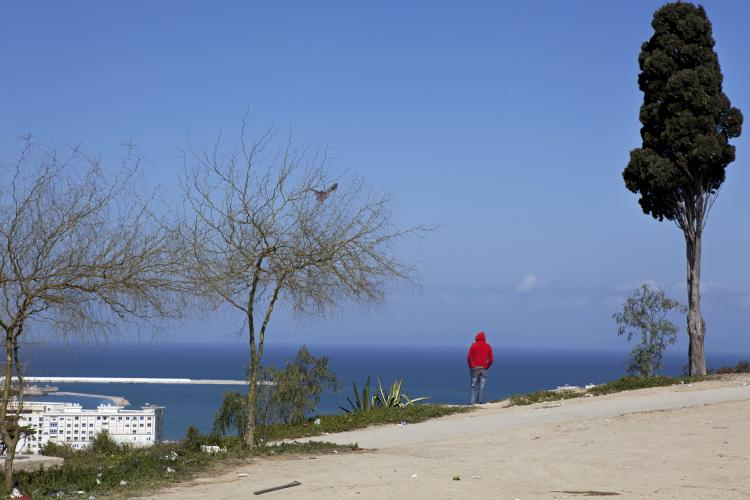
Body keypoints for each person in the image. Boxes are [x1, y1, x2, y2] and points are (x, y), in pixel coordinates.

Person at [467, 331, 493, 404]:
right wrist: (487, 367)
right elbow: (491, 359)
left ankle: (472, 403)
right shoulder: (488, 346)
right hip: (484, 368)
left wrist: (470, 366)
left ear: (477, 338)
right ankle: (479, 402)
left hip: (474, 368)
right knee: (481, 386)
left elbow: (469, 358)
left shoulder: (473, 345)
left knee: (473, 386)